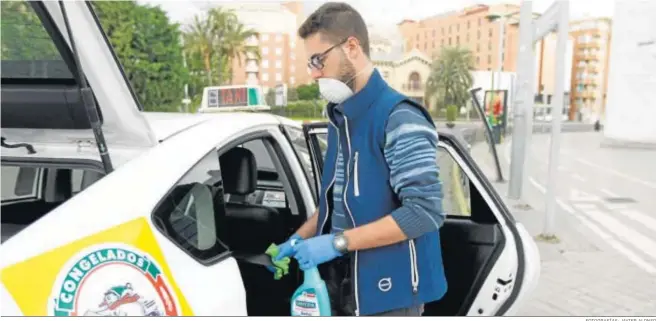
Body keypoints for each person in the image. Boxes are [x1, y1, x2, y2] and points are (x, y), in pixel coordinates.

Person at [272, 2, 447, 316]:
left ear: (351, 46)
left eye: (318, 60)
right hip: (344, 283)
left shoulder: (399, 117)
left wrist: (337, 243)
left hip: (390, 294)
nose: (314, 73)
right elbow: (336, 204)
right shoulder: (343, 120)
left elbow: (424, 212)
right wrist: (297, 239)